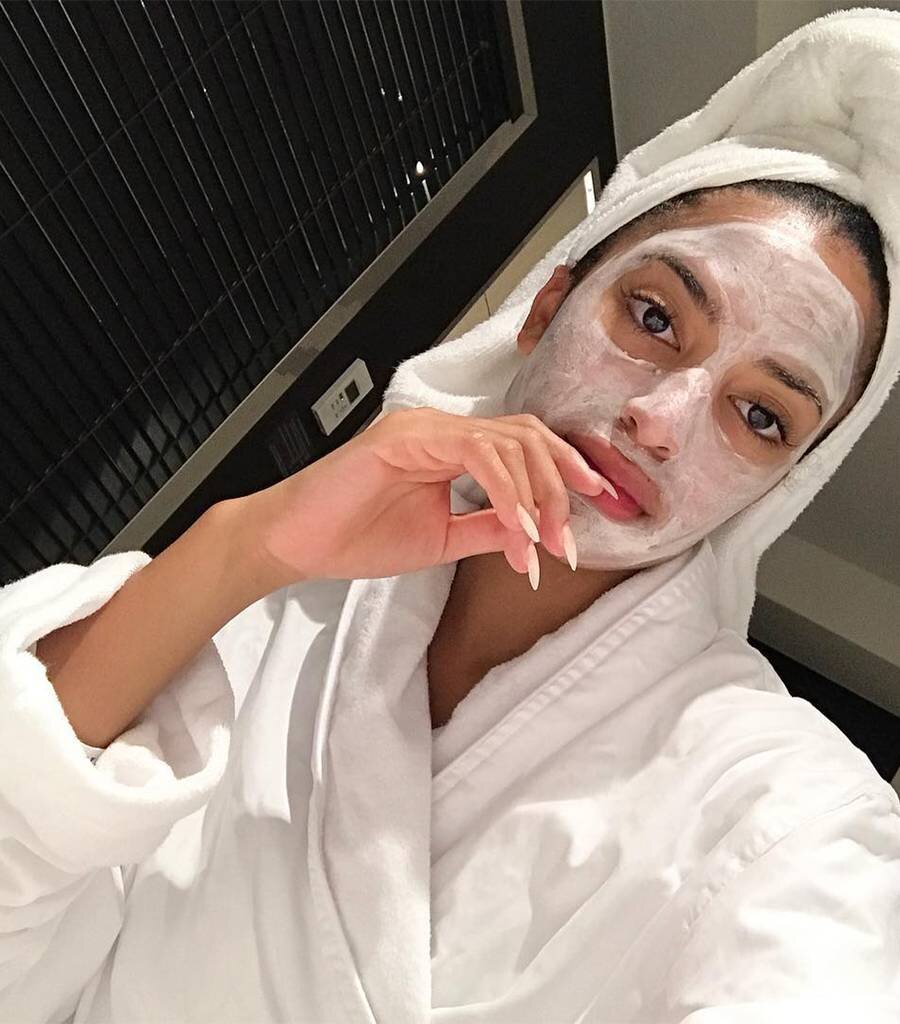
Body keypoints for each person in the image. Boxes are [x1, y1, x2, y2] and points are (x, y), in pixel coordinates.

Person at [3, 9, 900, 1024]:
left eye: (761, 416)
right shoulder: (265, 620)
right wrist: (242, 546)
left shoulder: (778, 808)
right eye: (655, 317)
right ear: (547, 304)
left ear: (771, 490)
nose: (660, 422)